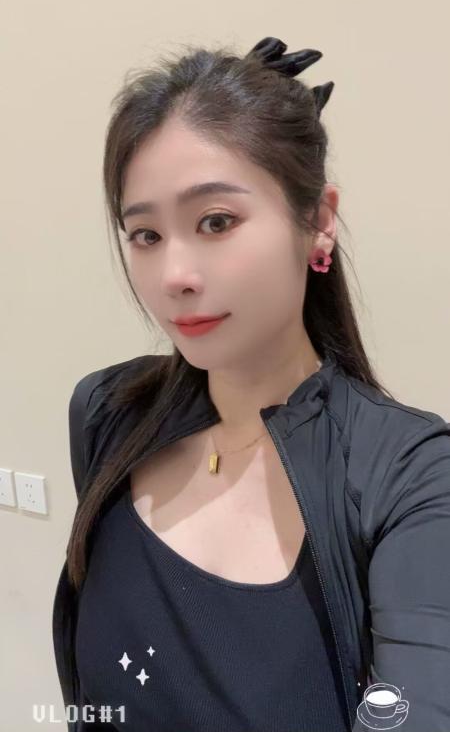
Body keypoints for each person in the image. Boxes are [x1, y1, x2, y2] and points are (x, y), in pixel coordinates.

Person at [52, 37, 450, 731]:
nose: (174, 275)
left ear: (318, 222)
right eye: (145, 235)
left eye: (216, 222)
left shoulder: (412, 477)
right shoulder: (107, 412)